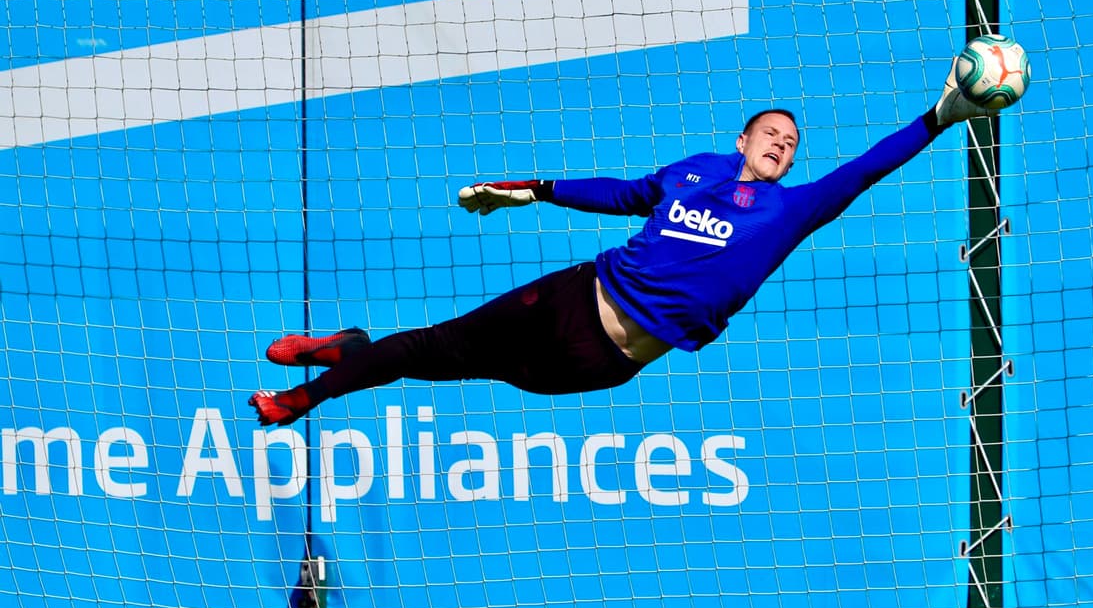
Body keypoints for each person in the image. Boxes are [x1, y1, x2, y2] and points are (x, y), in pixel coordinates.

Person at [248, 54, 1008, 427]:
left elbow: (867, 167)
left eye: (791, 142)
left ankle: (348, 346)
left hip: (604, 358)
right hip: (576, 293)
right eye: (770, 133)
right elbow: (618, 195)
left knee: (454, 370)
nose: (781, 144)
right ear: (742, 138)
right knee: (423, 350)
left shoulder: (792, 212)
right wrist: (530, 189)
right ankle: (306, 394)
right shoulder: (690, 174)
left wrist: (940, 115)